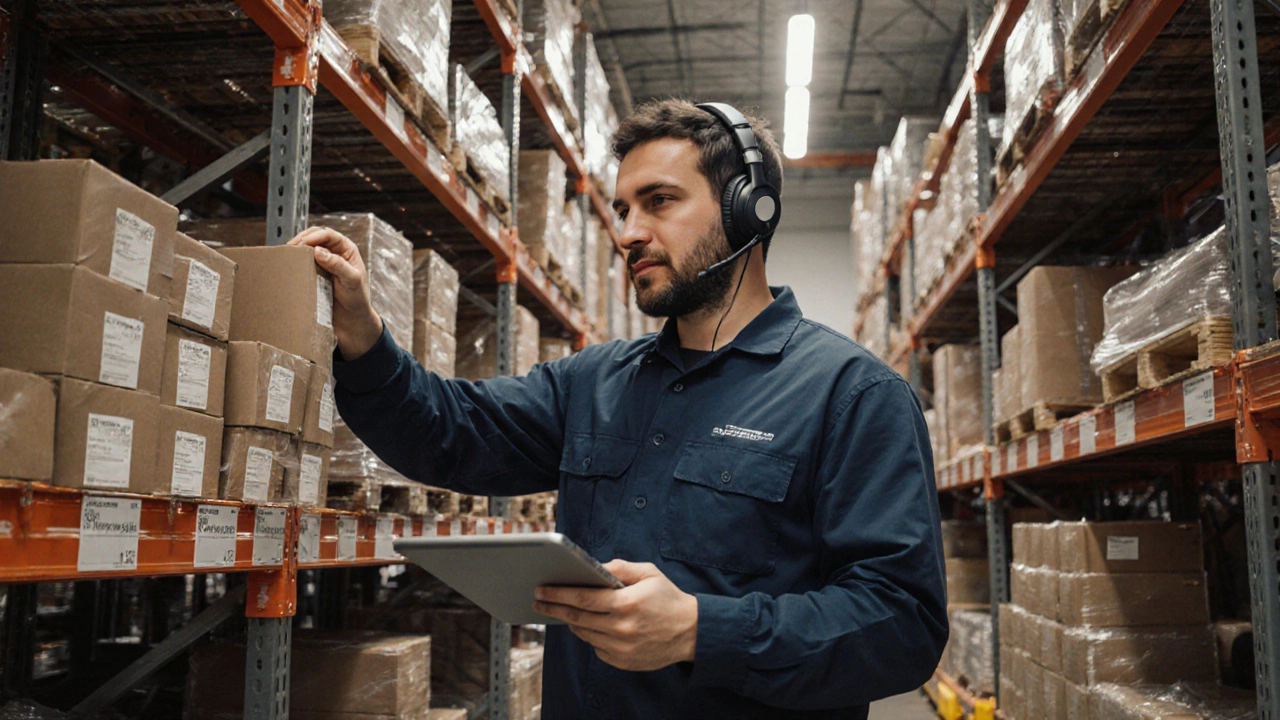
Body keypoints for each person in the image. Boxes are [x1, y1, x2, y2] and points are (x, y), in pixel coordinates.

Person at [291, 99, 947, 719]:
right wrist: (363, 335)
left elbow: (901, 624)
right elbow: (446, 432)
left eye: (659, 202)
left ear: (749, 210)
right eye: (622, 209)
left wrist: (701, 630)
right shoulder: (594, 382)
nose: (629, 233)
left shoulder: (853, 396)